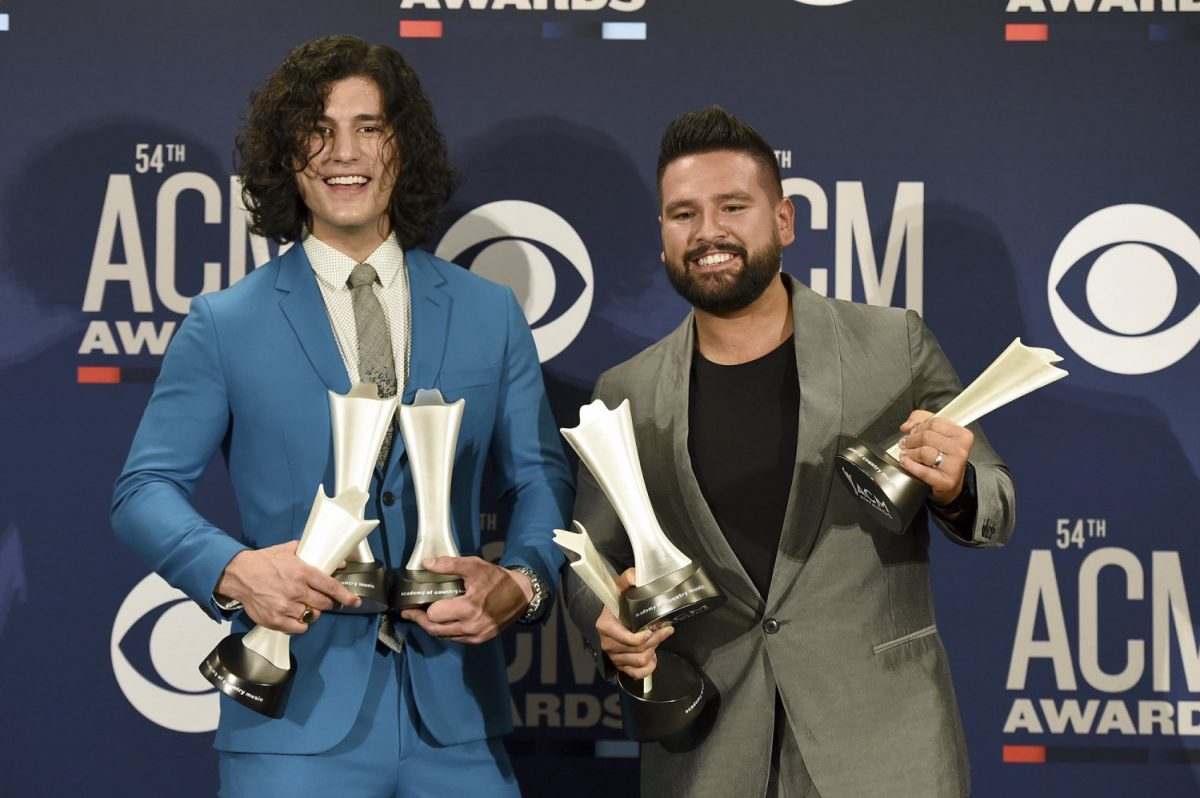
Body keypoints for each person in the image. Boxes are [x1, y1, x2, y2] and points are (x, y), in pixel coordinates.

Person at [112, 35, 573, 797]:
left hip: (458, 719)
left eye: (370, 127)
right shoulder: (225, 323)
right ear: (286, 155)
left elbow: (539, 479)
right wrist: (234, 570)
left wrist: (522, 581)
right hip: (291, 721)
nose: (343, 152)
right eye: (317, 130)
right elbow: (143, 491)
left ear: (404, 145)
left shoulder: (488, 313)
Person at [563, 106, 1014, 798]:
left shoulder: (893, 345)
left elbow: (996, 498)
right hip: (707, 755)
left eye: (733, 206)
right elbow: (589, 563)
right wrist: (609, 624)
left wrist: (955, 487)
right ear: (661, 237)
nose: (708, 231)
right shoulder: (626, 390)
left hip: (884, 749)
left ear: (784, 221)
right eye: (683, 214)